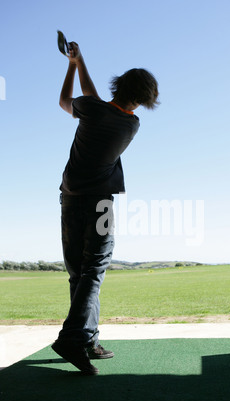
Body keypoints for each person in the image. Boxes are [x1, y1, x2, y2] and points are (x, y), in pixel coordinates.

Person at [51, 41, 159, 375]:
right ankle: (75, 338)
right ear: (143, 99)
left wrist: (73, 65)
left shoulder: (96, 110)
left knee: (79, 275)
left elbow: (66, 101)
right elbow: (95, 102)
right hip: (101, 204)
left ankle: (85, 339)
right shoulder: (131, 124)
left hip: (69, 198)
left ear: (119, 85)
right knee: (92, 272)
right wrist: (79, 62)